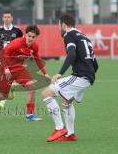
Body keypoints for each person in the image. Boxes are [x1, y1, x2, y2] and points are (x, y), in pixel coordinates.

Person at [41, 14, 99, 142]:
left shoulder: (69, 35)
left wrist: (60, 73)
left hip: (80, 76)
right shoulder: (84, 36)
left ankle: (59, 128)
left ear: (63, 25)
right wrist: (89, 76)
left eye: (58, 26)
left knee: (46, 94)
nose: (59, 29)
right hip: (89, 76)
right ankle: (70, 134)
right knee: (66, 101)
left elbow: (71, 54)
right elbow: (95, 63)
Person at [0, 25, 51, 121]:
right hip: (5, 69)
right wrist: (6, 69)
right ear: (25, 35)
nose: (31, 39)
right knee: (4, 95)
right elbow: (2, 54)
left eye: (33, 37)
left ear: (36, 37)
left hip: (19, 69)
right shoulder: (17, 43)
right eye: (29, 36)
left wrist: (45, 73)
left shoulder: (34, 47)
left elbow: (38, 59)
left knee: (32, 87)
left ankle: (29, 115)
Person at [0, 10, 23, 109]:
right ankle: (9, 89)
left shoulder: (17, 30)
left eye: (8, 17)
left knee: (8, 77)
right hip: (2, 57)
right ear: (2, 18)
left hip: (13, 58)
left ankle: (4, 98)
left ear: (12, 18)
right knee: (6, 78)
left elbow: (23, 43)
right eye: (5, 17)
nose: (7, 19)